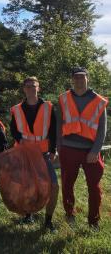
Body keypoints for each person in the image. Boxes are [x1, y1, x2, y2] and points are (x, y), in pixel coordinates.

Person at [57, 67, 108, 230]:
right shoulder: (63, 98)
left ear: (88, 79)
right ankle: (69, 214)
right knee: (67, 184)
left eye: (82, 77)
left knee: (94, 186)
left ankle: (94, 220)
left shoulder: (99, 101)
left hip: (90, 151)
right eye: (76, 77)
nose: (79, 80)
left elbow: (102, 129)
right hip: (68, 149)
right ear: (72, 79)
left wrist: (95, 150)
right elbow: (59, 125)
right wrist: (59, 147)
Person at [10, 76, 59, 232]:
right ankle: (28, 215)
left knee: (54, 186)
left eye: (34, 85)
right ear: (24, 89)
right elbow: (13, 129)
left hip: (43, 153)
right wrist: (20, 140)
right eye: (28, 86)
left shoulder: (48, 107)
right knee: (27, 186)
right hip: (24, 154)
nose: (31, 88)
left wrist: (53, 150)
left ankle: (48, 221)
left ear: (39, 88)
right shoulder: (16, 109)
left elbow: (53, 130)